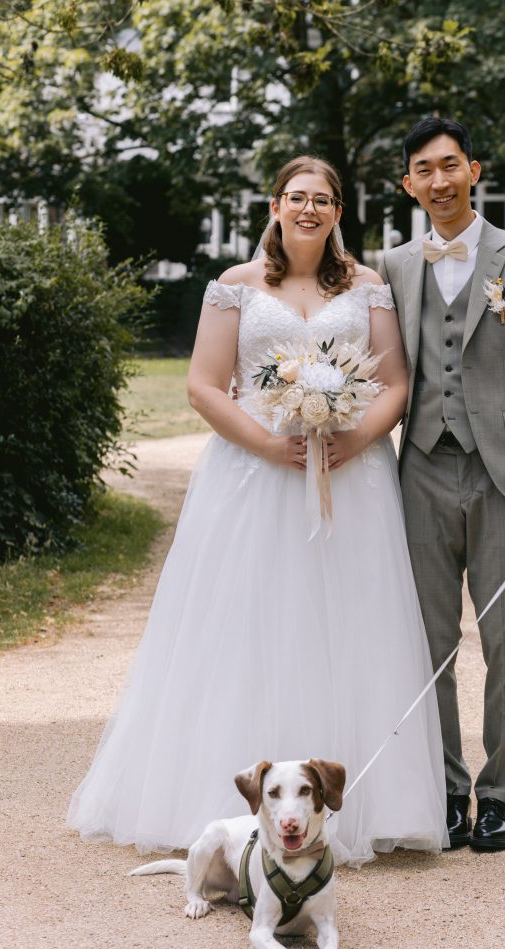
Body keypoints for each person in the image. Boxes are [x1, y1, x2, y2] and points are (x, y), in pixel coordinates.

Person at [67, 156, 447, 867]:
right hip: (250, 478)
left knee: (352, 621)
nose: (309, 209)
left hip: (351, 479)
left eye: (323, 200)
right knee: (243, 622)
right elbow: (205, 387)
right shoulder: (236, 288)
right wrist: (272, 446)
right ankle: (219, 803)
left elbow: (394, 383)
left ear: (339, 212)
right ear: (273, 204)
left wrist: (352, 440)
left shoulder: (368, 288)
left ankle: (370, 804)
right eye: (297, 197)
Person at [379, 117, 505, 851]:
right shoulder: (394, 266)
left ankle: (497, 797)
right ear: (408, 184)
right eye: (423, 171)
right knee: (427, 643)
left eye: (450, 166)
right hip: (420, 472)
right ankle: (444, 790)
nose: (438, 181)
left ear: (474, 170)